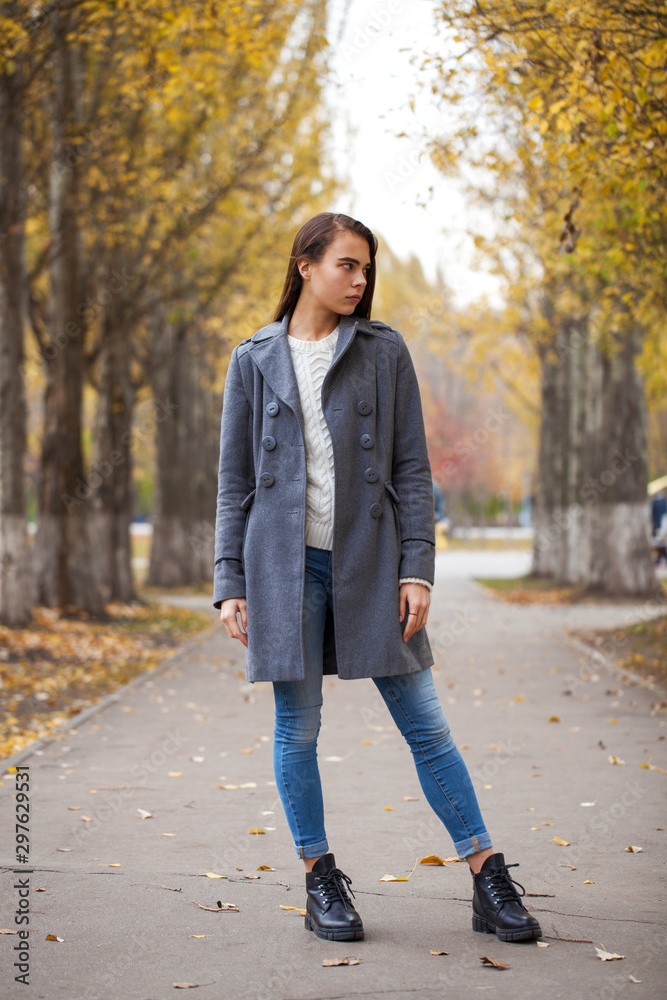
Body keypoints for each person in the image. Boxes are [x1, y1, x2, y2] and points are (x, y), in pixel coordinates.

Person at [213, 212, 541, 944]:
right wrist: (229, 578)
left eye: (366, 269)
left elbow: (411, 468)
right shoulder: (253, 359)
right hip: (282, 569)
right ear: (304, 265)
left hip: (370, 562)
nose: (359, 281)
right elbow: (233, 482)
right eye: (346, 266)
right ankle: (319, 878)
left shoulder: (383, 353)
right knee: (296, 729)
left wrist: (416, 566)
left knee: (425, 725)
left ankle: (486, 875)